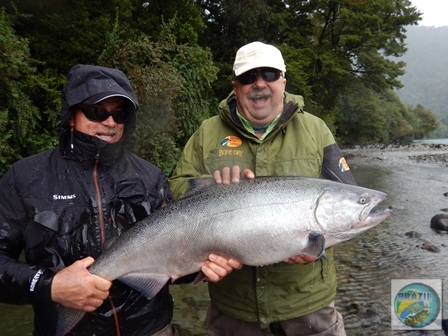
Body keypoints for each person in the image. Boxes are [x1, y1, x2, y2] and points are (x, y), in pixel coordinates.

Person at [0, 64, 241, 336]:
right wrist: (49, 285)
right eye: (96, 112)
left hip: (152, 329)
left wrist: (205, 265)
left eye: (119, 114)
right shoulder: (25, 176)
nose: (110, 122)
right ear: (71, 115)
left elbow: (171, 266)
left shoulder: (150, 178)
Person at [168, 41, 357, 336]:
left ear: (283, 80)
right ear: (235, 85)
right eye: (248, 77)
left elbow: (345, 200)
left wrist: (317, 247)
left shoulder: (316, 130)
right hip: (233, 307)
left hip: (307, 303)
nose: (259, 84)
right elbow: (177, 188)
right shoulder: (207, 132)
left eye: (269, 74)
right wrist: (212, 191)